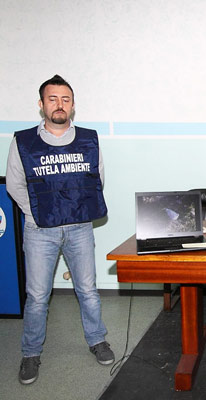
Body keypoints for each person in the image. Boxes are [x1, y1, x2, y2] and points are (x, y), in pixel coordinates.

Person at [6, 75, 114, 385]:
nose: (59, 105)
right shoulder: (23, 141)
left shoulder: (89, 140)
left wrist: (76, 210)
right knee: (38, 296)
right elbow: (14, 184)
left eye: (65, 99)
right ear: (41, 104)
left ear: (73, 105)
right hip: (40, 230)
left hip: (79, 227)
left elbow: (96, 180)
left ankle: (97, 340)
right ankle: (30, 353)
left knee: (88, 291)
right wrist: (37, 214)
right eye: (52, 99)